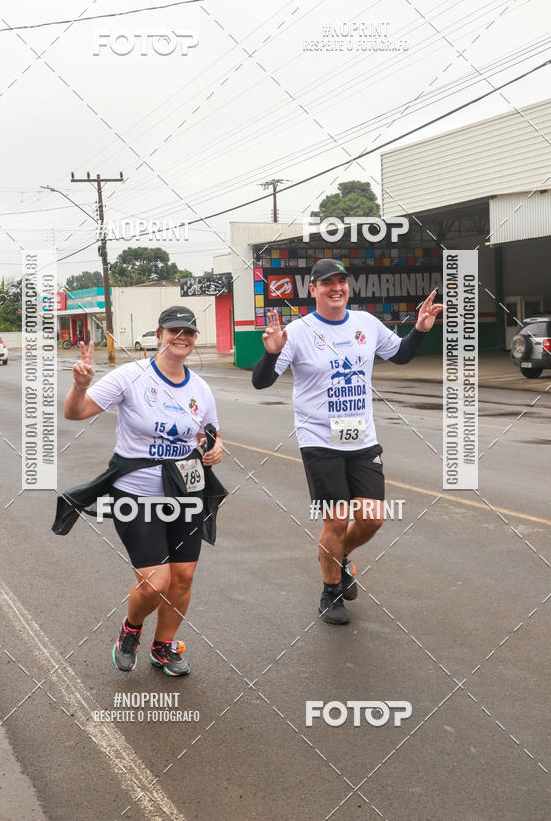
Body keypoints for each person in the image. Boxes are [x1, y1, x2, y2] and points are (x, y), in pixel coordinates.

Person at [252, 258, 443, 625]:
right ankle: (331, 591)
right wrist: (272, 352)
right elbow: (261, 382)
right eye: (328, 283)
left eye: (341, 281)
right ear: (313, 289)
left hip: (361, 437)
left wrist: (419, 328)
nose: (336, 288)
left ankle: (337, 557)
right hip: (319, 439)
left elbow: (401, 354)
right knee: (337, 520)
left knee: (372, 519)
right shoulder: (298, 331)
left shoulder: (365, 323)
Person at [64, 306, 224, 675]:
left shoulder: (200, 388)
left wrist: (215, 447)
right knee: (155, 583)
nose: (181, 337)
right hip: (136, 495)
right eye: (173, 331)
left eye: (188, 332)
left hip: (185, 493)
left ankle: (163, 646)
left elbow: (210, 434)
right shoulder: (131, 376)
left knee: (182, 578)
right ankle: (131, 629)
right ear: (159, 334)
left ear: (194, 338)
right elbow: (75, 412)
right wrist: (80, 385)